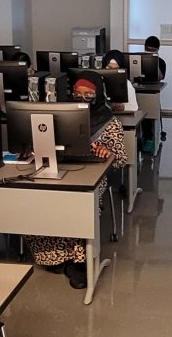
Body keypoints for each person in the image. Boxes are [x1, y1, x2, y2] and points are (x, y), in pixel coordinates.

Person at [22, 74, 127, 289]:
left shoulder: (108, 121)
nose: (83, 98)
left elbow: (121, 159)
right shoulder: (61, 116)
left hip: (94, 176)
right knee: (37, 198)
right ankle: (54, 257)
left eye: (89, 94)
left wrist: (107, 153)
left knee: (78, 203)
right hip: (59, 168)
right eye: (78, 94)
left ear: (99, 94)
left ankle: (78, 262)